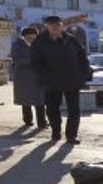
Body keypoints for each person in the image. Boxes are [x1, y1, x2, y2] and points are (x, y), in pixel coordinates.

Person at [31, 16, 92, 144]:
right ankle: (56, 132)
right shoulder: (40, 41)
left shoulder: (71, 39)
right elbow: (36, 63)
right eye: (51, 25)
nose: (55, 27)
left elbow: (82, 57)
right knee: (52, 109)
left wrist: (84, 73)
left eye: (58, 24)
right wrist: (46, 77)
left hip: (72, 80)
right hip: (52, 81)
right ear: (46, 26)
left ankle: (71, 136)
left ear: (62, 25)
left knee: (74, 110)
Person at [10, 26, 46, 128]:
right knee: (26, 101)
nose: (32, 39)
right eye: (29, 37)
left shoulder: (40, 45)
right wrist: (33, 62)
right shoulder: (17, 45)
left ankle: (42, 122)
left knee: (40, 101)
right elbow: (16, 59)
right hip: (23, 78)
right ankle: (27, 121)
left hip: (38, 77)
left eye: (34, 37)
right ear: (24, 37)